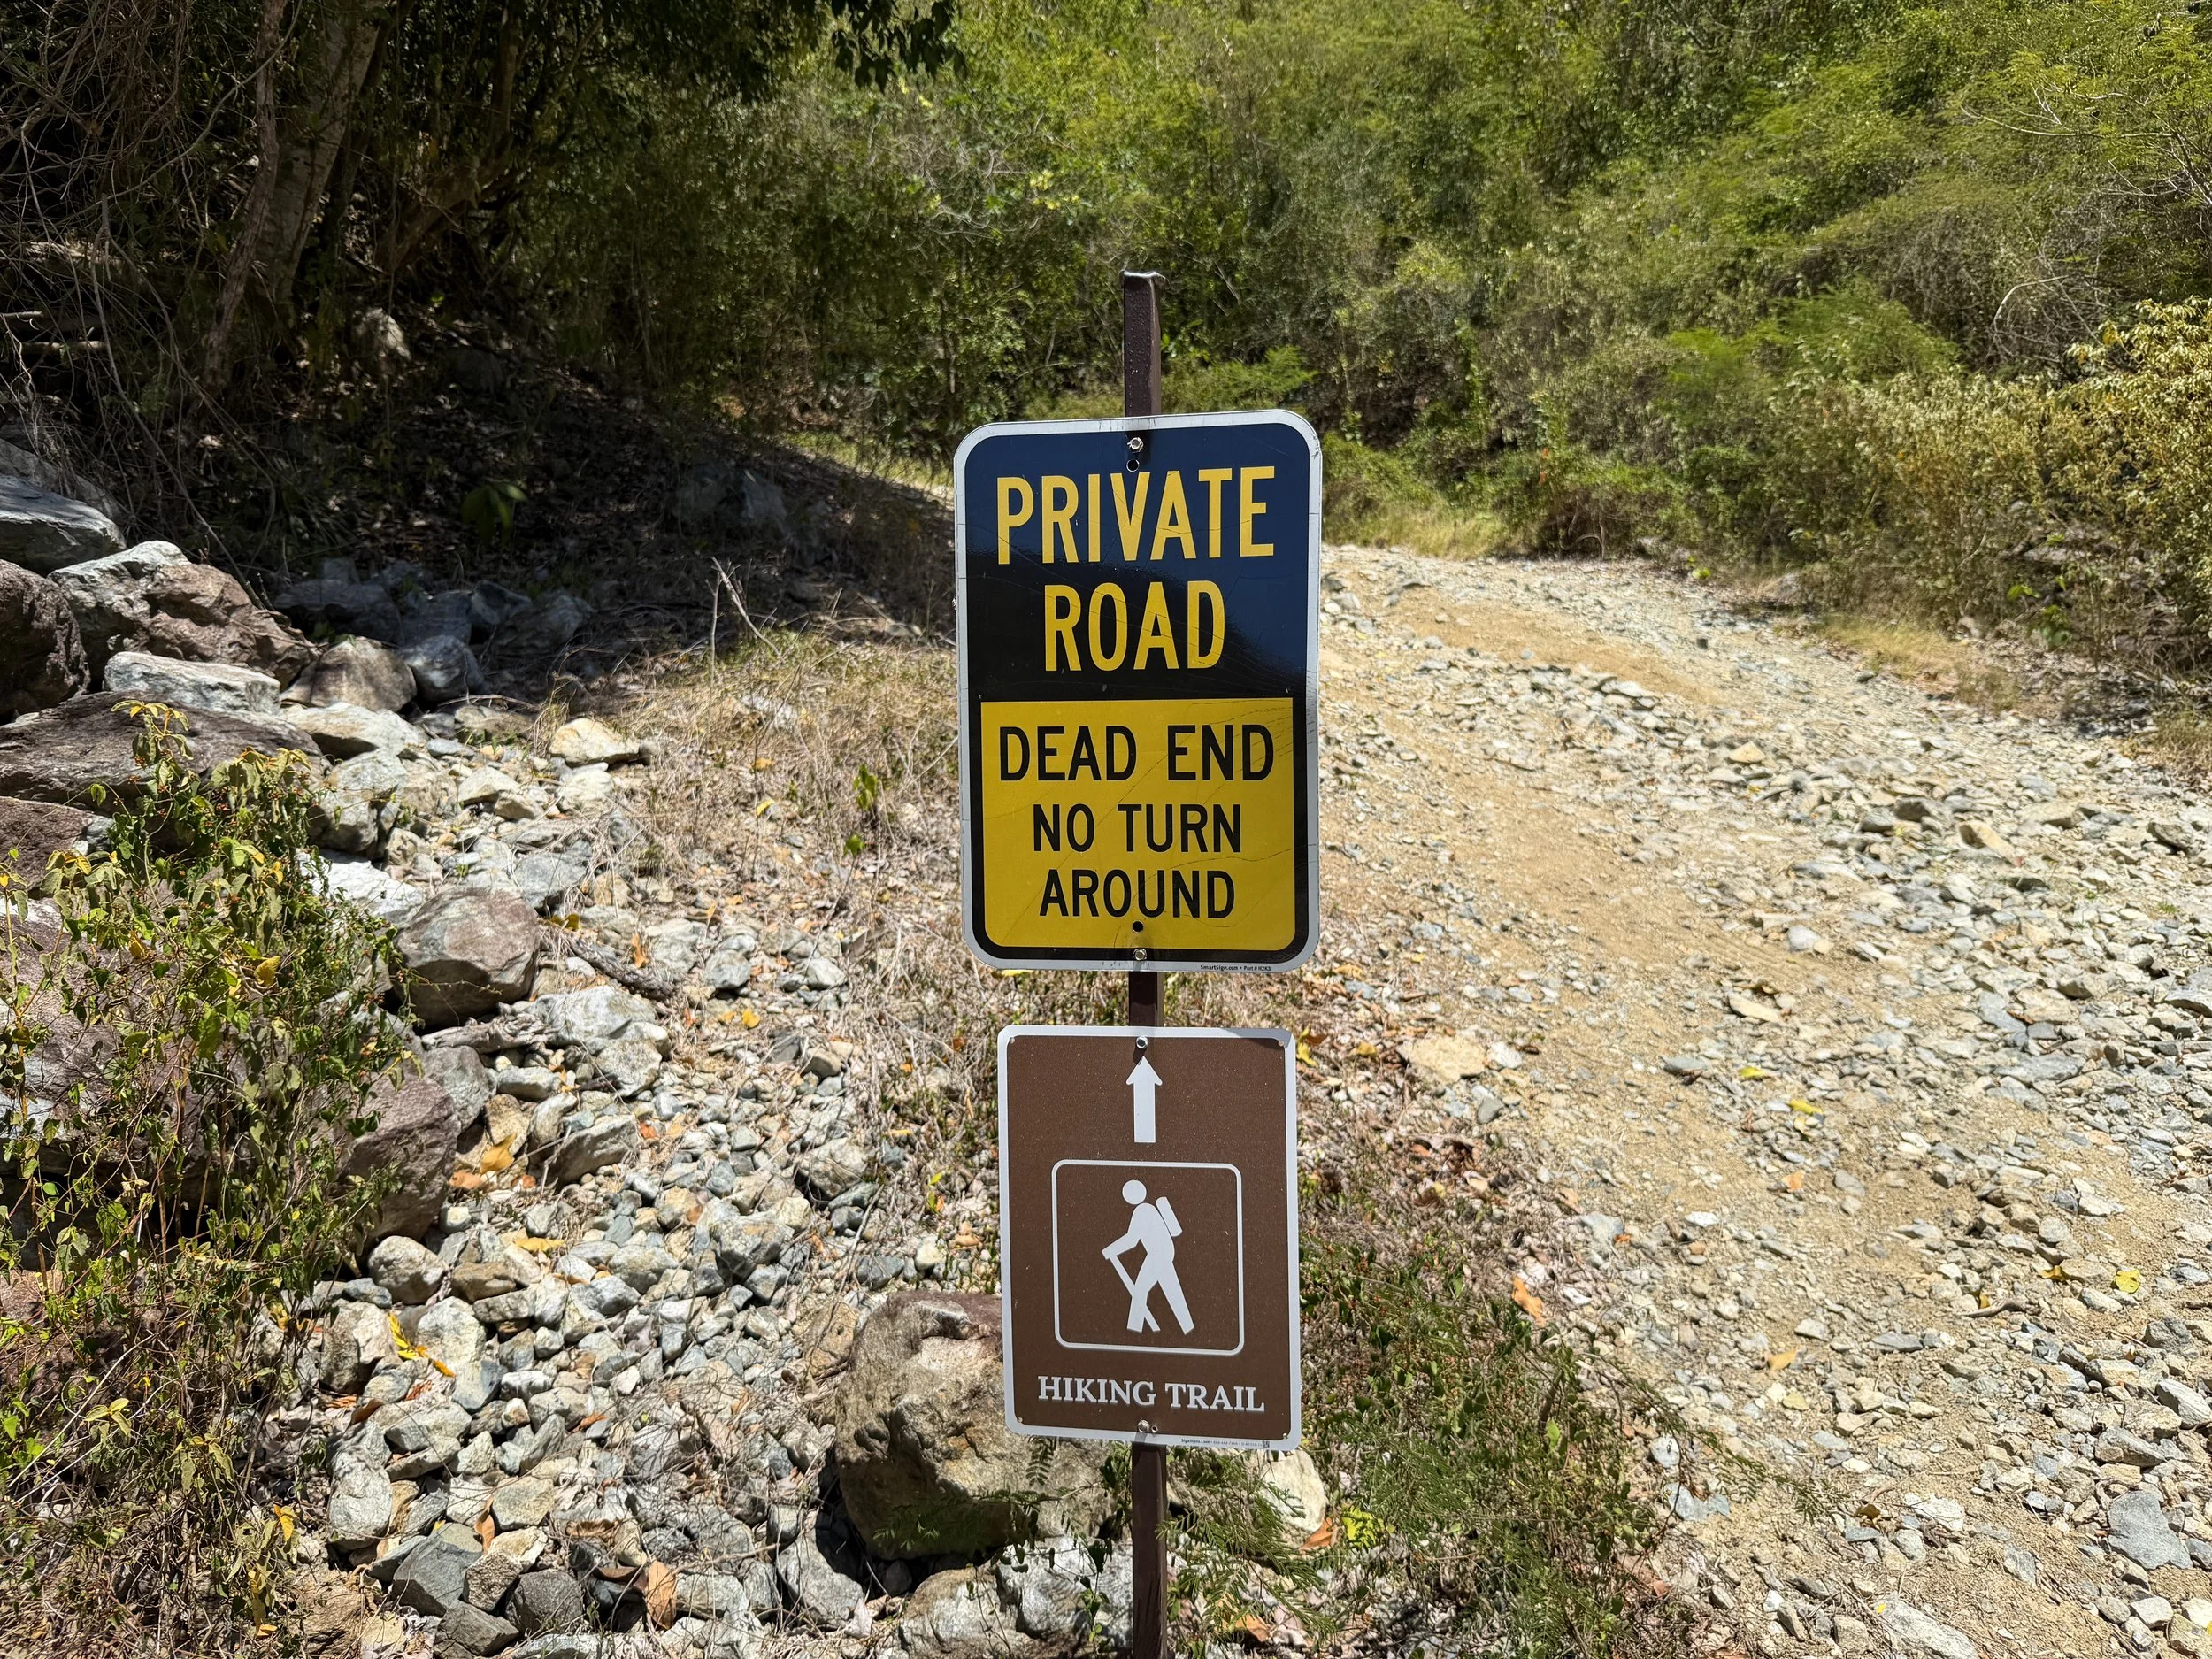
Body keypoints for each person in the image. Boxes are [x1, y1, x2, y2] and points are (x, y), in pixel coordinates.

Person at [1101, 1179, 1193, 1335]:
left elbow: (1132, 1240)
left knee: (1140, 1290)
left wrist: (1109, 1250)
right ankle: (1188, 1328)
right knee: (1172, 1291)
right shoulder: (1149, 1209)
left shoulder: (1142, 1211)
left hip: (1158, 1255)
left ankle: (1133, 1332)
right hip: (1163, 1253)